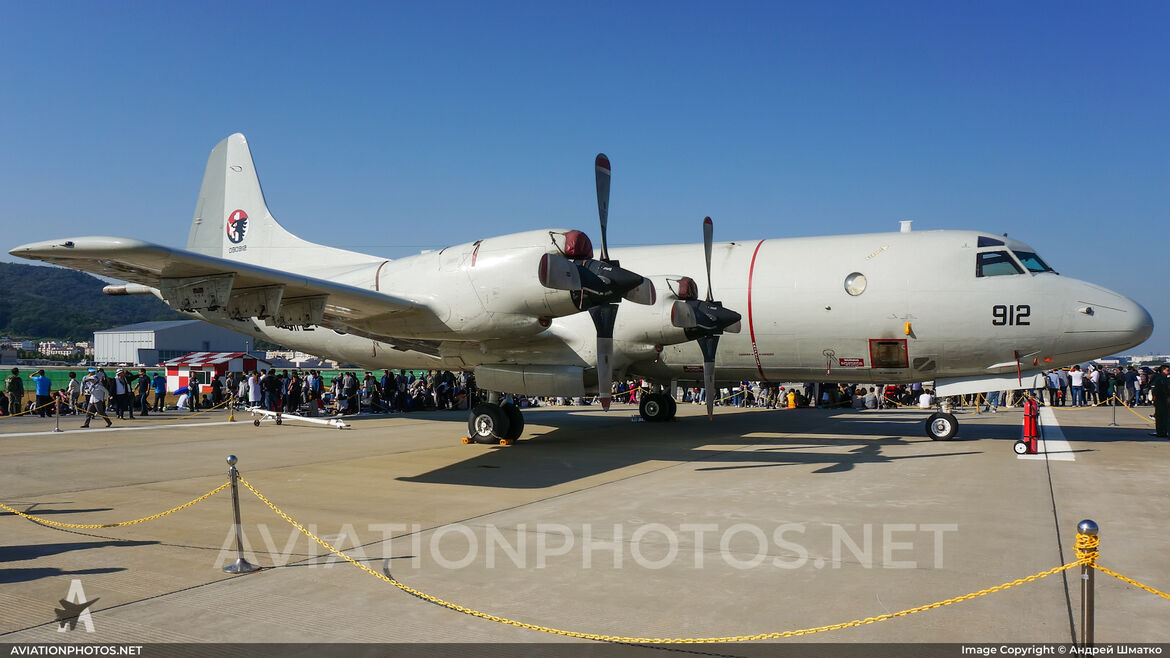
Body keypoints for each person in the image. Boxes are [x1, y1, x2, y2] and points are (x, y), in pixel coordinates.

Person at [1151, 364, 1170, 439]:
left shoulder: (1164, 378)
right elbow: (1160, 390)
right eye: (1167, 370)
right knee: (1161, 416)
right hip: (1161, 400)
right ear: (1162, 370)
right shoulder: (1160, 379)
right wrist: (1167, 396)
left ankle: (1163, 431)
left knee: (1163, 416)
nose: (1168, 372)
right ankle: (1161, 432)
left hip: (1162, 399)